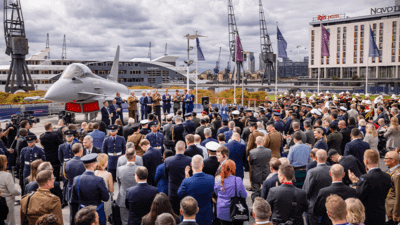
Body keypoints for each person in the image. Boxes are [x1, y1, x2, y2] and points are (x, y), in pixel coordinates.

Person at [349, 149, 391, 225]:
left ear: (366, 161)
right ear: (378, 160)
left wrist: (355, 184)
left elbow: (359, 195)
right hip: (381, 214)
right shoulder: (387, 176)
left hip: (368, 215)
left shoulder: (365, 178)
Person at [71, 154, 109, 225]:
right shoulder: (99, 180)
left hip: (83, 213)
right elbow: (106, 198)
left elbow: (74, 199)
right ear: (93, 164)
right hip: (96, 212)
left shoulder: (76, 179)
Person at [178, 155, 215, 225]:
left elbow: (180, 194)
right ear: (203, 165)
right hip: (206, 215)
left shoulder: (187, 181)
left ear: (191, 164)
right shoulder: (211, 178)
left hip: (191, 216)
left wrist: (186, 178)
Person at [302, 150, 332, 225]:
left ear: (315, 158)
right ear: (326, 158)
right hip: (330, 205)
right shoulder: (332, 170)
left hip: (314, 206)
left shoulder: (312, 172)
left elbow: (306, 190)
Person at [213, 159, 247, 225]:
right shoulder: (238, 180)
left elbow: (217, 193)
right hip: (234, 210)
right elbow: (244, 195)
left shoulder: (217, 179)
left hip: (221, 210)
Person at [164, 141, 192, 215]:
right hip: (185, 190)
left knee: (174, 213)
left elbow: (166, 175)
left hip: (172, 191)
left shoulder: (168, 160)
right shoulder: (189, 160)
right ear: (184, 149)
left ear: (175, 148)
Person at [64, 143, 86, 225]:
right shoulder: (84, 162)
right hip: (82, 190)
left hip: (71, 190)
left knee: (72, 214)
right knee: (83, 214)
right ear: (81, 150)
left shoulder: (66, 163)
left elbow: (66, 177)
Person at [116, 148, 138, 225]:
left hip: (123, 198)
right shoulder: (139, 169)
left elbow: (119, 183)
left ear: (125, 156)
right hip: (137, 198)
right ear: (135, 156)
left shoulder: (119, 169)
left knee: (125, 221)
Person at [0, 155, 20, 225]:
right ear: (4, 163)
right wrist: (19, 192)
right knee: (9, 221)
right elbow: (13, 191)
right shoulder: (7, 175)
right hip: (7, 201)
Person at [94, 154, 114, 221]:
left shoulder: (94, 173)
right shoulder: (108, 174)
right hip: (105, 200)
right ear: (105, 162)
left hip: (96, 199)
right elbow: (111, 190)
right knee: (105, 219)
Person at [384, 151, 400, 225]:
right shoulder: (392, 170)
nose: (384, 160)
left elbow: (398, 194)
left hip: (393, 208)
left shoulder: (397, 175)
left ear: (393, 160)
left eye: (386, 158)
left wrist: (396, 213)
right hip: (390, 207)